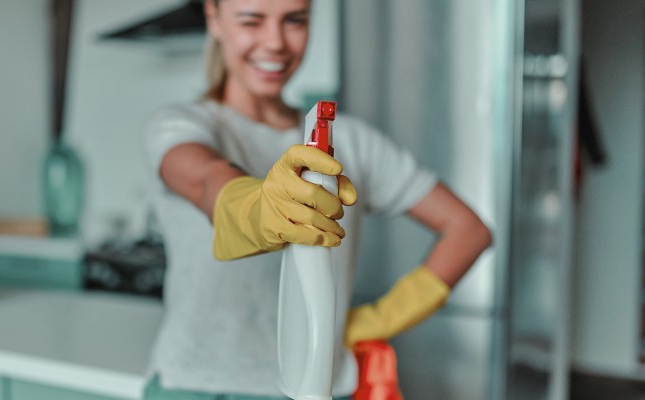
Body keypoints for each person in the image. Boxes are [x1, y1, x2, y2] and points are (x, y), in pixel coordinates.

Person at [142, 0, 493, 399]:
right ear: (214, 18)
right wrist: (259, 208)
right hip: (197, 386)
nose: (275, 42)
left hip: (320, 387)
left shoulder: (353, 143)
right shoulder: (181, 126)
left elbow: (470, 230)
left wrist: (381, 318)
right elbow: (206, 181)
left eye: (294, 20)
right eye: (251, 20)